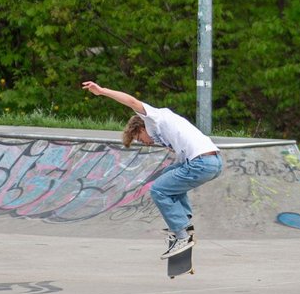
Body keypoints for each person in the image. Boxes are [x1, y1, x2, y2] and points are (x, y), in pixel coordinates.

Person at [81, 81, 222, 259]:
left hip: (201, 163)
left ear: (140, 128)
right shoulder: (164, 131)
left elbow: (131, 101)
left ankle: (182, 236)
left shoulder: (153, 117)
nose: (145, 142)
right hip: (213, 161)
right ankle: (184, 223)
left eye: (140, 138)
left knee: (158, 189)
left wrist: (102, 91)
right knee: (168, 175)